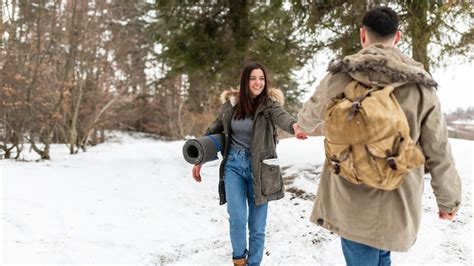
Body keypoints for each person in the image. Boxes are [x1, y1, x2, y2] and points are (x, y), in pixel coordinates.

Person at [296, 6, 462, 266]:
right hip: (396, 195)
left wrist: (301, 127)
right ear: (398, 37)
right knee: (382, 251)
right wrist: (448, 200)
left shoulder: (339, 75)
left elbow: (310, 113)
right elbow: (438, 149)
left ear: (363, 36)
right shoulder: (420, 85)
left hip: (349, 195)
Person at [192, 62, 307, 266]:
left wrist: (295, 127)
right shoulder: (232, 105)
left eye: (261, 78)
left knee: (257, 226)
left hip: (261, 168)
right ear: (245, 81)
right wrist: (199, 158)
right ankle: (239, 261)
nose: (258, 82)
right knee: (237, 218)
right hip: (234, 165)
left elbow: (283, 118)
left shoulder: (269, 105)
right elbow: (213, 130)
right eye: (253, 78)